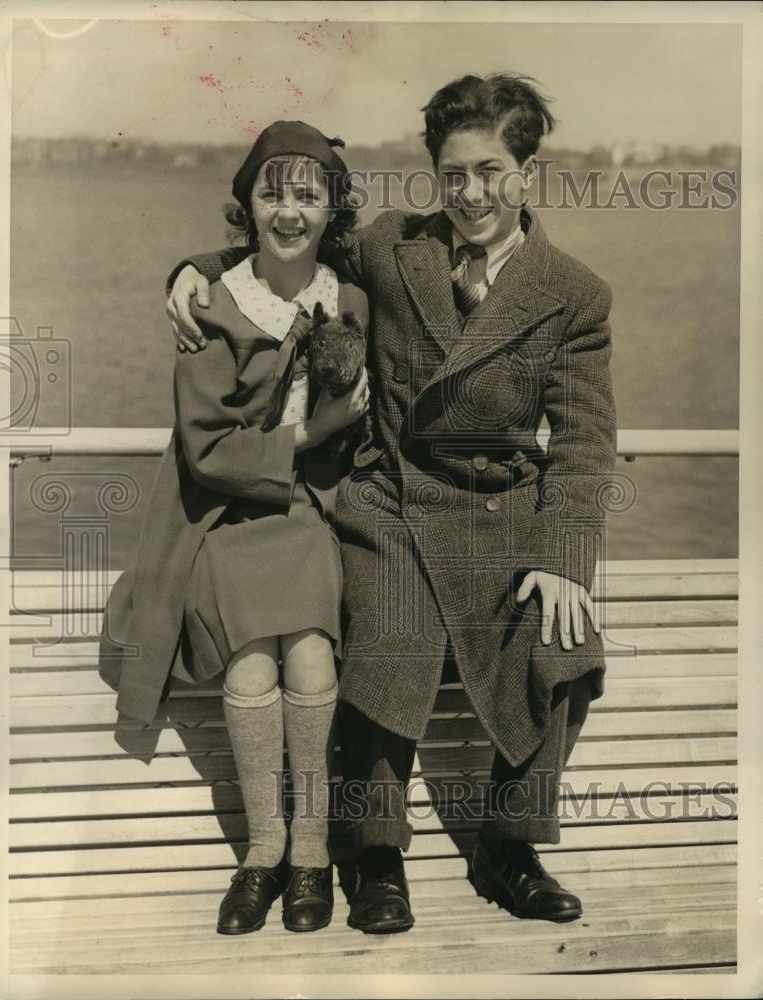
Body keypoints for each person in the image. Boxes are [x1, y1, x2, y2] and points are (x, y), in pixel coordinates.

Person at [166, 73, 617, 933]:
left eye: (490, 171)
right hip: (391, 502)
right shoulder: (389, 246)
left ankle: (507, 845)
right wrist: (194, 271)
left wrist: (563, 561)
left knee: (566, 643)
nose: (471, 194)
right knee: (392, 631)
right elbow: (289, 254)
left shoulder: (575, 294)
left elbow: (588, 442)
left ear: (530, 172)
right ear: (434, 176)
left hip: (502, 518)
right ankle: (375, 852)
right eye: (453, 175)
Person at [100, 121, 370, 935]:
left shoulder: (348, 298)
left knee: (313, 655)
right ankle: (265, 851)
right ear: (247, 206)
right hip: (223, 516)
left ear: (332, 212)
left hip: (308, 514)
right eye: (272, 194)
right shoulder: (211, 304)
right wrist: (313, 435)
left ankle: (315, 853)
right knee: (251, 668)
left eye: (308, 196)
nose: (290, 212)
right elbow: (208, 451)